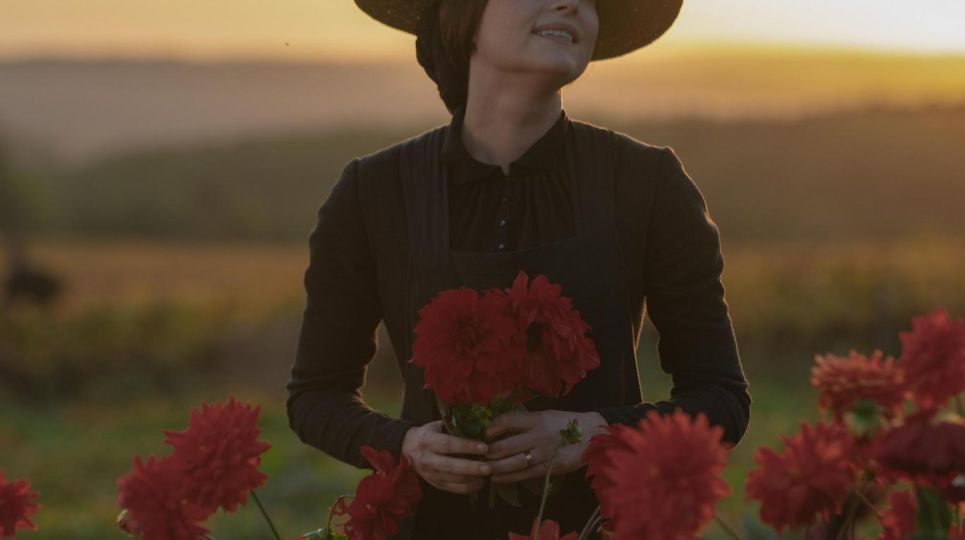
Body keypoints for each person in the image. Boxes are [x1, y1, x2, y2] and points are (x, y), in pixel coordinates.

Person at [286, 0, 751, 537]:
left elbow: (721, 400)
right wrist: (407, 446)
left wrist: (589, 434)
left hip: (599, 527)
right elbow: (315, 395)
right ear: (463, 15)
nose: (572, 3)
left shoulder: (649, 184)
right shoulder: (373, 192)